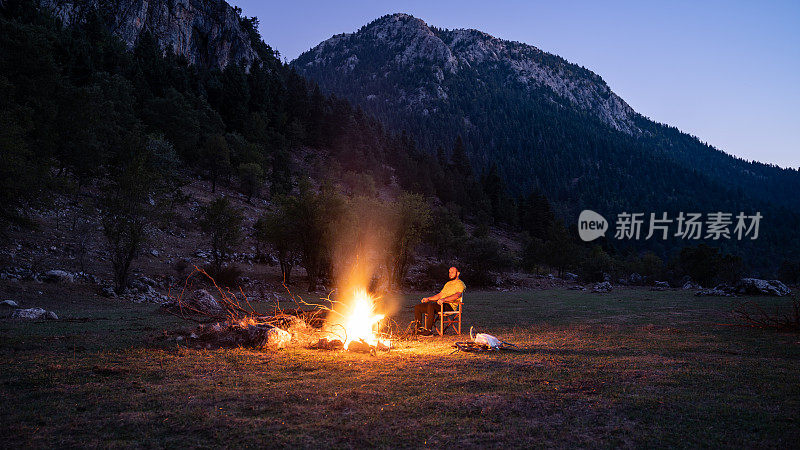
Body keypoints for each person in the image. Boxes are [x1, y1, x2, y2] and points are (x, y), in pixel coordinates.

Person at [414, 266, 465, 336]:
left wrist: (444, 299)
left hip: (449, 306)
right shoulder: (448, 284)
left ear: (458, 273)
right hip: (440, 304)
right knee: (418, 307)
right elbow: (440, 295)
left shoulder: (460, 284)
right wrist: (428, 299)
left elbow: (457, 295)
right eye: (449, 272)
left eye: (452, 272)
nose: (450, 274)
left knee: (431, 306)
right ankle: (418, 330)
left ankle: (428, 331)